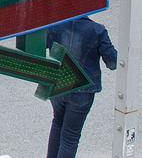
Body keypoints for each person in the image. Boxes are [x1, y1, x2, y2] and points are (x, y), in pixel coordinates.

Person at [43, 11, 117, 158]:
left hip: (57, 86)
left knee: (57, 123)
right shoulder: (97, 30)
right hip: (82, 92)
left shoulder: (55, 25)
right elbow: (113, 63)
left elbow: (39, 44)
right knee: (71, 136)